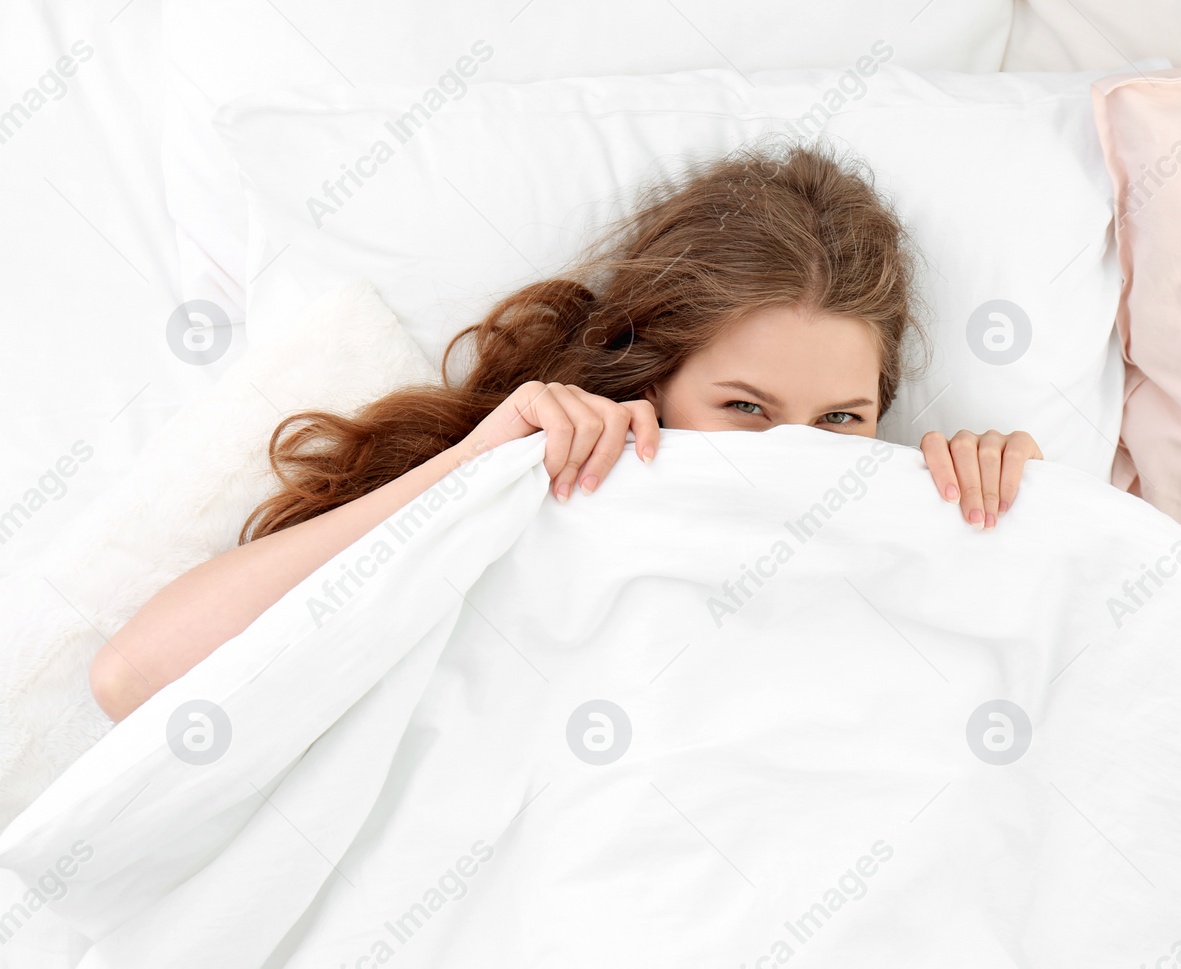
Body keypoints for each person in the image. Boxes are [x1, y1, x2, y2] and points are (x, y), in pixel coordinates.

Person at [89, 142, 1041, 723]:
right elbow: (136, 676)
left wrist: (1027, 528)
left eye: (840, 421)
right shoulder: (526, 492)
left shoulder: (915, 518)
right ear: (652, 380)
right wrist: (469, 470)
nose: (794, 453)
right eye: (744, 409)